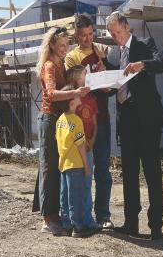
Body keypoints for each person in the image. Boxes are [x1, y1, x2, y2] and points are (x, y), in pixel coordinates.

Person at [105, 11, 163, 240]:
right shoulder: (113, 55)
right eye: (112, 34)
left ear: (127, 28)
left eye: (118, 32)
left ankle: (156, 225)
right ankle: (131, 222)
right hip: (127, 119)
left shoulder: (144, 44)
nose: (116, 37)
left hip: (148, 119)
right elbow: (113, 86)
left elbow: (161, 64)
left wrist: (143, 65)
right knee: (129, 172)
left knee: (152, 171)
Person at [32, 27, 89, 235]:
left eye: (67, 45)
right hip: (49, 118)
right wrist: (75, 91)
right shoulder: (49, 65)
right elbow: (51, 93)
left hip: (58, 120)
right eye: (62, 45)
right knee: (49, 168)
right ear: (53, 45)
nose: (65, 49)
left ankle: (54, 214)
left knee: (56, 167)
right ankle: (48, 219)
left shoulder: (60, 64)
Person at [65, 14, 115, 229]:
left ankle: (103, 215)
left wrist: (107, 83)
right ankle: (82, 217)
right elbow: (73, 87)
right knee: (82, 170)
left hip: (101, 117)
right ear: (76, 35)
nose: (88, 39)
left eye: (91, 34)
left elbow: (112, 86)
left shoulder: (103, 51)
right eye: (83, 35)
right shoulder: (72, 57)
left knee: (103, 169)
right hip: (80, 121)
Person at [55, 85, 99, 238]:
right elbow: (81, 146)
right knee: (76, 196)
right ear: (72, 102)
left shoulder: (60, 120)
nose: (78, 94)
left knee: (65, 195)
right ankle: (78, 227)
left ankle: (66, 225)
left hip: (64, 163)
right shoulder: (77, 121)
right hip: (76, 164)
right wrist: (87, 166)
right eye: (75, 94)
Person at [66, 65, 99, 229]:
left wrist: (91, 140)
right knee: (73, 186)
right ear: (75, 78)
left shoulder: (91, 99)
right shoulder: (71, 99)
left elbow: (94, 122)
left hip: (88, 148)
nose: (87, 76)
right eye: (84, 74)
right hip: (75, 149)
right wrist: (82, 141)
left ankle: (87, 219)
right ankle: (73, 221)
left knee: (87, 183)